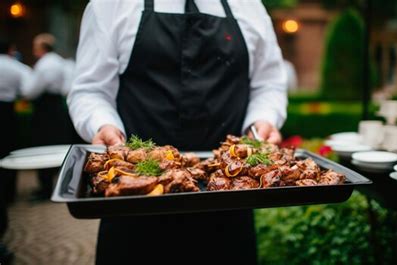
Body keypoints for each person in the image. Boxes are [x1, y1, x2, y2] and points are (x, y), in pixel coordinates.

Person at [68, 0, 287, 264]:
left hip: (229, 200)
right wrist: (102, 124)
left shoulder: (250, 6)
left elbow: (269, 84)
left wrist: (263, 120)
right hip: (133, 202)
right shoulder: (111, 4)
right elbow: (90, 90)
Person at [22, 33, 73, 200]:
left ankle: (45, 188)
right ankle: (60, 185)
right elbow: (67, 87)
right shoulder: (60, 61)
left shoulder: (44, 64)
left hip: (44, 109)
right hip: (57, 107)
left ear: (41, 48)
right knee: (57, 143)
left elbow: (30, 91)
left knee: (42, 145)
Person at [0, 36, 30, 265]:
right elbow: (29, 89)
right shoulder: (16, 67)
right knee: (7, 154)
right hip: (6, 113)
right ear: (11, 49)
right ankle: (8, 194)